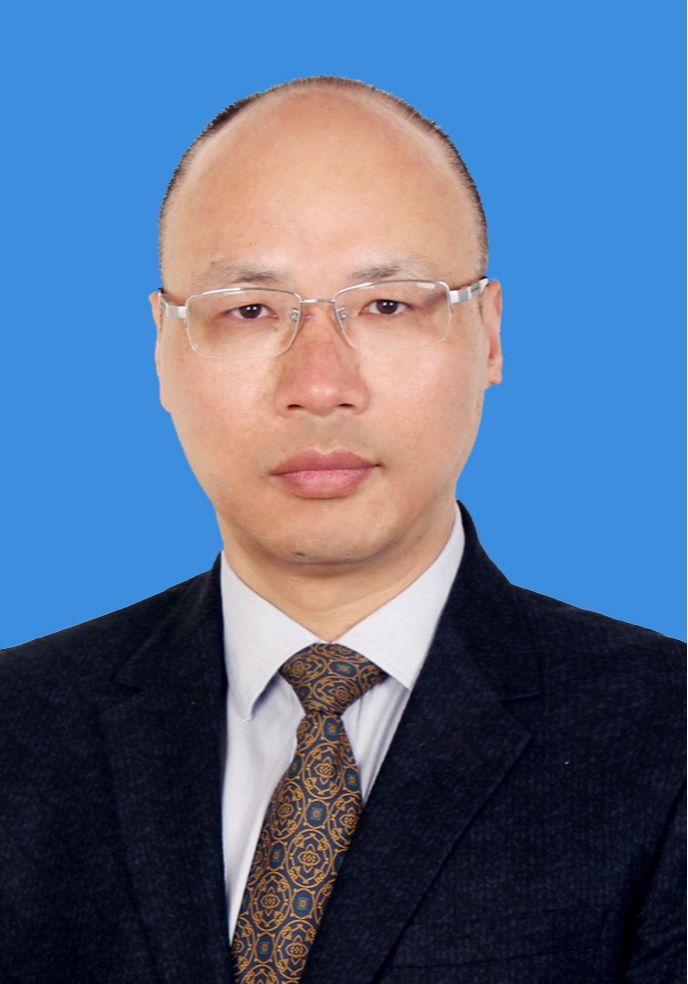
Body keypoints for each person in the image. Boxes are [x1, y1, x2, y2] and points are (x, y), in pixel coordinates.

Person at [0, 76, 683, 984]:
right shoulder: (17, 732)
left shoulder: (668, 738)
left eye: (388, 305)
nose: (320, 385)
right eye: (250, 310)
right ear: (162, 348)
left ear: (488, 335)